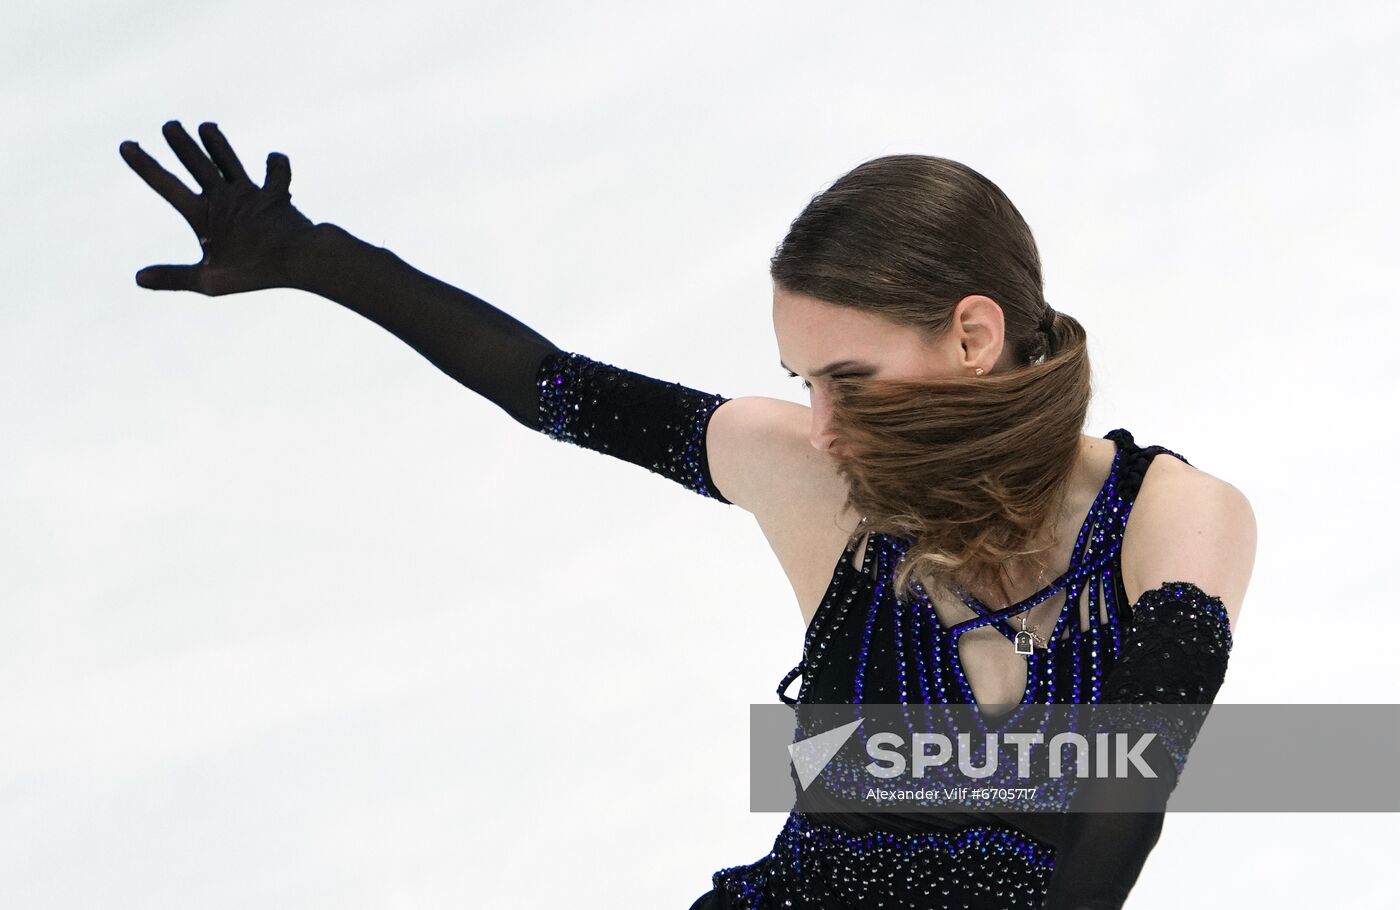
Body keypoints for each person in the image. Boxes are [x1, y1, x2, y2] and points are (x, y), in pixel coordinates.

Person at [119, 120, 1257, 909]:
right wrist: (321, 259)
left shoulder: (1170, 518)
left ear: (970, 334)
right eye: (801, 379)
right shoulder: (816, 480)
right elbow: (554, 388)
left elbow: (1116, 812)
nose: (817, 423)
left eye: (845, 377)